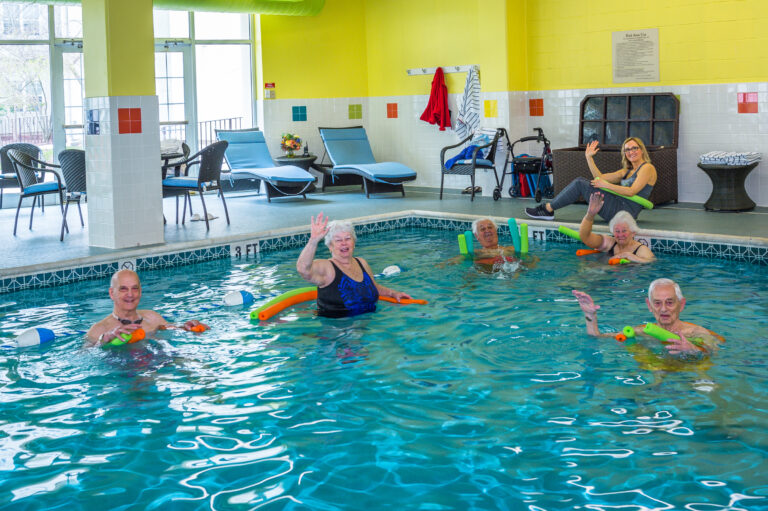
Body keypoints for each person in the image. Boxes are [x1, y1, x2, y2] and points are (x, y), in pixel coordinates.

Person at [296, 212, 412, 318]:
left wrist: (393, 293)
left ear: (354, 243)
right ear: (330, 246)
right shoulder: (327, 268)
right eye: (338, 240)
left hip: (367, 327)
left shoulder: (361, 263)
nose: (344, 243)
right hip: (337, 331)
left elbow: (374, 287)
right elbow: (303, 270)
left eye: (348, 238)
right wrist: (313, 241)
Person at [572, 278, 723, 357]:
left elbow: (715, 353)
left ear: (681, 304)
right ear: (649, 306)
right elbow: (597, 338)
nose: (663, 309)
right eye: (657, 303)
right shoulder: (643, 331)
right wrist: (589, 315)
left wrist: (693, 350)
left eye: (669, 302)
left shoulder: (696, 332)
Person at [525, 137, 657, 222]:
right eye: (627, 149)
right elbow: (599, 178)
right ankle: (548, 208)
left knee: (580, 183)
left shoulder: (647, 168)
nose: (631, 152)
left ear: (641, 150)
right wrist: (589, 158)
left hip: (625, 213)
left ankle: (548, 209)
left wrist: (606, 185)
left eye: (635, 148)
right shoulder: (626, 171)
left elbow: (631, 191)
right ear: (624, 154)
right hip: (618, 207)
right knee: (582, 182)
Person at [86, 269, 208, 346]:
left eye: (135, 288)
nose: (130, 294)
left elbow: (174, 328)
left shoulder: (153, 318)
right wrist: (104, 340)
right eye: (123, 289)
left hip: (160, 362)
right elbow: (83, 356)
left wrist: (189, 327)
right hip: (124, 375)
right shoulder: (99, 330)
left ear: (140, 292)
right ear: (112, 293)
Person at [578, 191, 655, 263]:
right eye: (617, 231)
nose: (620, 235)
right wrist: (590, 215)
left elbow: (652, 262)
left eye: (624, 231)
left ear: (633, 233)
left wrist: (630, 256)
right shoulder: (609, 243)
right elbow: (585, 238)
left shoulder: (641, 250)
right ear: (613, 232)